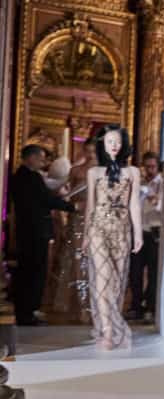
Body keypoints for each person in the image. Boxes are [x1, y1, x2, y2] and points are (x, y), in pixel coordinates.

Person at [84, 126, 142, 350]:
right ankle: (107, 331)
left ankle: (111, 325)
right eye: (110, 141)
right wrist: (87, 234)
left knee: (116, 282)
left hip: (122, 231)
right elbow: (91, 205)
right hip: (98, 229)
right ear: (103, 144)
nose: (114, 145)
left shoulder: (133, 172)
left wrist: (138, 233)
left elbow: (134, 204)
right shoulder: (94, 173)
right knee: (102, 279)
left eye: (117, 141)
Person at [9, 145, 74, 326]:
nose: (43, 162)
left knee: (33, 270)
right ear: (30, 158)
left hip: (32, 230)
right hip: (33, 231)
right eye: (40, 158)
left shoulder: (29, 176)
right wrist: (72, 207)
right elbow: (45, 199)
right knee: (33, 271)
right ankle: (26, 312)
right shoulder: (26, 177)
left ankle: (29, 310)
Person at [52, 137, 97, 322]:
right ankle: (79, 305)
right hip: (77, 219)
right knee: (77, 258)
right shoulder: (76, 170)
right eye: (88, 151)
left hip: (97, 220)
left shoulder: (106, 171)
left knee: (96, 260)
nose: (91, 154)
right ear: (84, 151)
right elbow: (65, 193)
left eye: (94, 151)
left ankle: (95, 306)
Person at [128, 151, 163, 323]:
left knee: (153, 272)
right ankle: (135, 305)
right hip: (137, 231)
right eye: (147, 166)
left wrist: (154, 199)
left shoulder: (163, 184)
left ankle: (150, 306)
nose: (149, 170)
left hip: (154, 232)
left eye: (152, 167)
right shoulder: (139, 183)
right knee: (135, 271)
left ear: (158, 167)